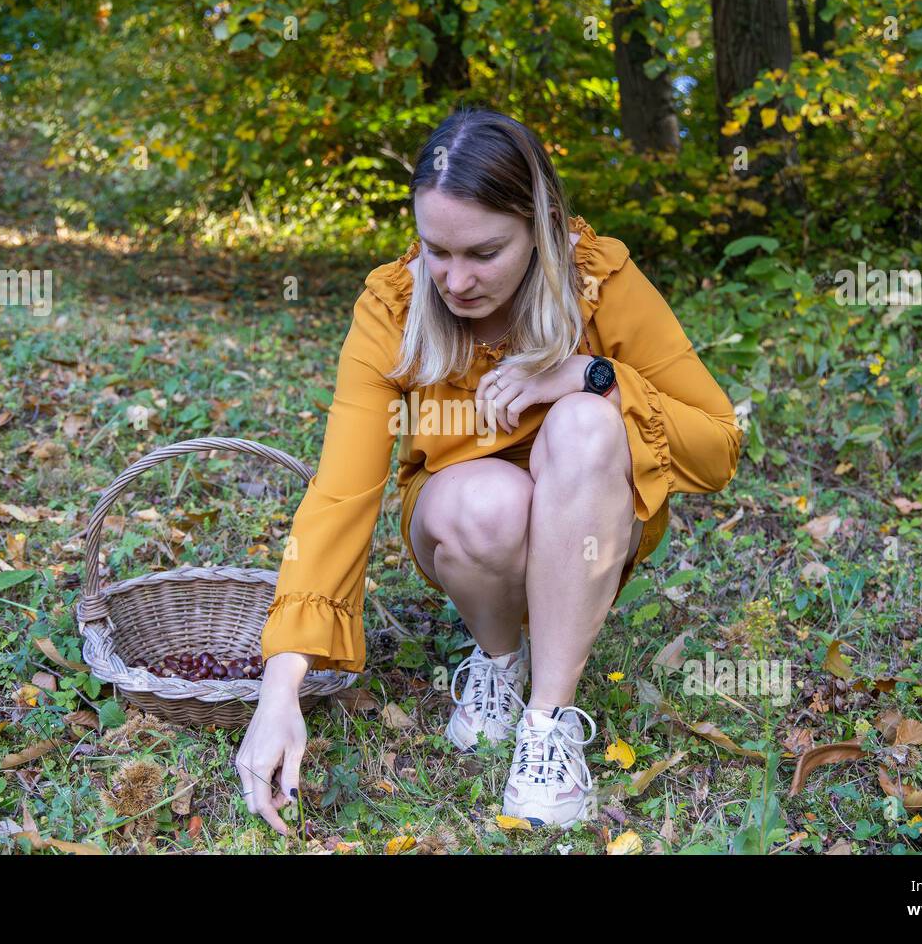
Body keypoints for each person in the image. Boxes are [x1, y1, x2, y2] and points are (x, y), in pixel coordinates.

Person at [235, 107, 744, 832]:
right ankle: (498, 663)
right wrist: (280, 687)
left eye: (484, 252)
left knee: (586, 422)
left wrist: (589, 374)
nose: (455, 279)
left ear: (541, 226)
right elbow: (341, 494)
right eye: (435, 249)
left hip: (590, 527)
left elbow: (719, 446)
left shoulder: (599, 281)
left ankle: (547, 723)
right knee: (491, 501)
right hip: (465, 529)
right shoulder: (397, 306)